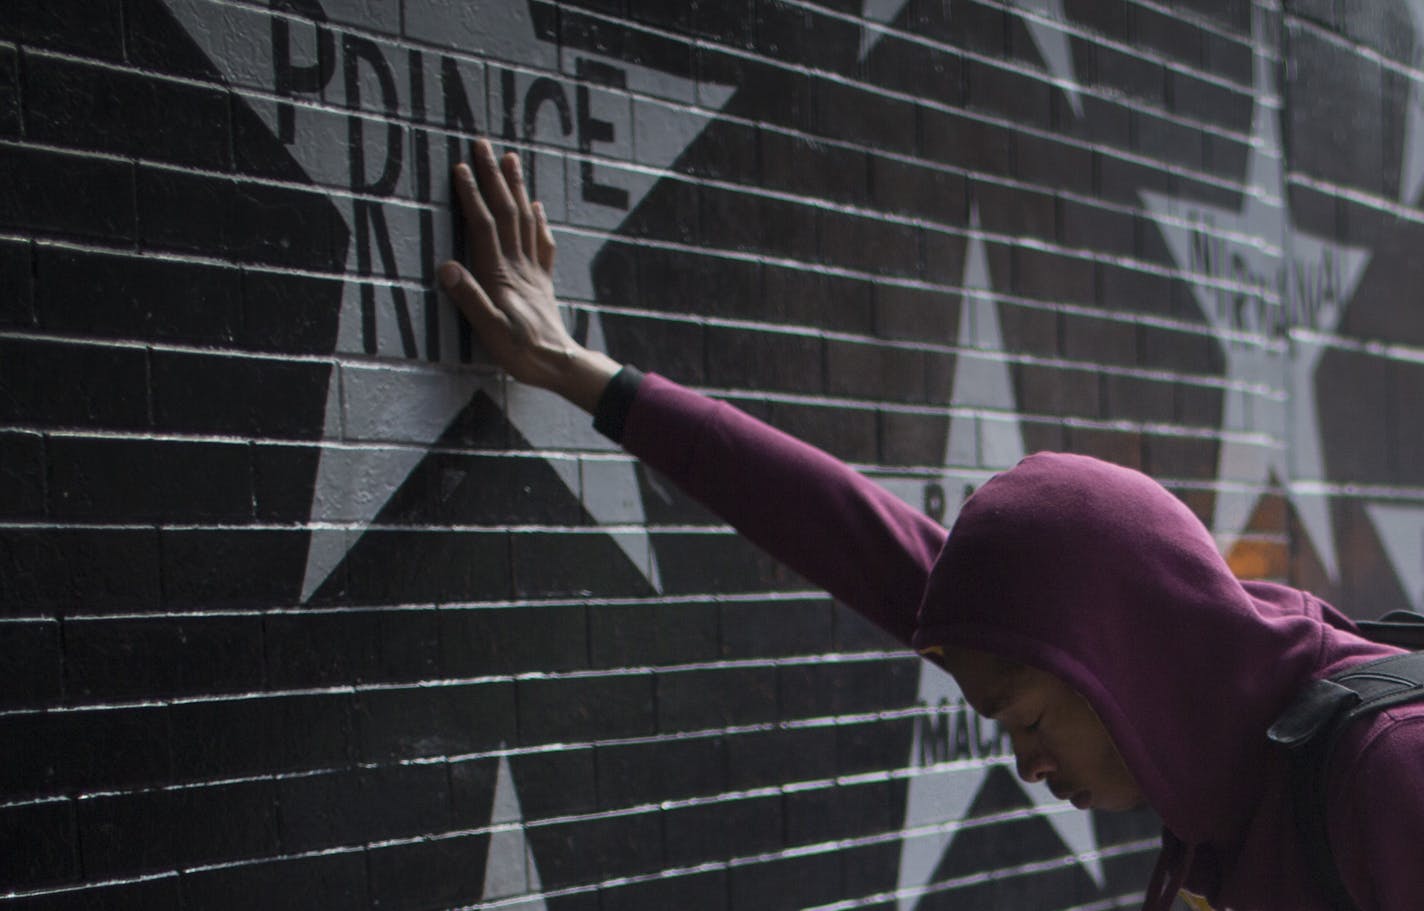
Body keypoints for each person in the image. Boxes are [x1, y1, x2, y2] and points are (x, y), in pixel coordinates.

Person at [434, 139, 1424, 911]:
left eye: (1029, 721)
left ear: (1115, 663)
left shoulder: (1385, 768)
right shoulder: (1209, 698)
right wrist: (580, 373)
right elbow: (855, 536)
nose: (1024, 765)